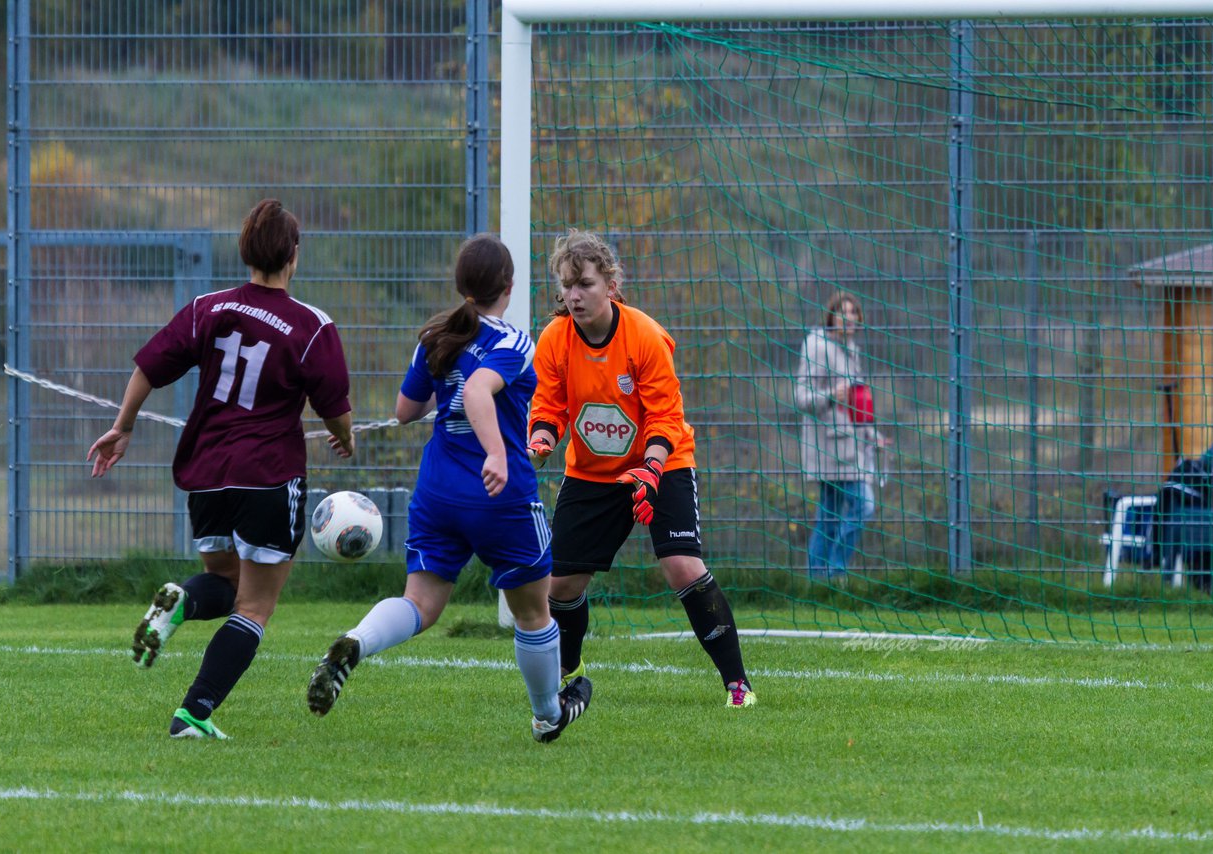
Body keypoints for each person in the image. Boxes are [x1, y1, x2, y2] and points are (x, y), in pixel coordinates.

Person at [305, 233, 592, 743]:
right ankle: (549, 714)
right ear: (507, 286)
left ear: (460, 286)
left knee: (420, 603)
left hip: (437, 492)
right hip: (498, 496)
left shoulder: (436, 335)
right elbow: (481, 390)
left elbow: (404, 412)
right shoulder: (513, 340)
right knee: (533, 612)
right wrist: (498, 455)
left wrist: (448, 390)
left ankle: (355, 641)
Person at [87, 198, 355, 739]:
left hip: (205, 469)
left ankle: (182, 600)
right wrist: (343, 438)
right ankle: (194, 713)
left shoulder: (207, 307)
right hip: (267, 474)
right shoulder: (311, 326)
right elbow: (335, 409)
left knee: (223, 583)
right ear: (294, 257)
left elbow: (149, 366)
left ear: (244, 251)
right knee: (255, 605)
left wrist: (124, 425)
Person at [527, 229, 756, 709]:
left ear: (610, 284)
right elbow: (548, 404)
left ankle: (737, 684)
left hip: (663, 462)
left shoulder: (646, 336)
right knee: (561, 585)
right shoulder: (553, 339)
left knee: (681, 566)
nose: (574, 295)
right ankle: (570, 674)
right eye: (566, 285)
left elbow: (665, 416)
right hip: (593, 472)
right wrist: (543, 435)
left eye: (584, 284)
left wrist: (651, 469)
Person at [794, 292, 887, 581]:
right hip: (829, 448)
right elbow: (802, 397)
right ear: (831, 316)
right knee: (864, 505)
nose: (849, 317)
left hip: (851, 446)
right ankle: (835, 572)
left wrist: (873, 434)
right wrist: (830, 396)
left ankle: (817, 582)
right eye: (842, 312)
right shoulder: (817, 346)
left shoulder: (851, 349)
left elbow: (856, 404)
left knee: (829, 517)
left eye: (853, 312)